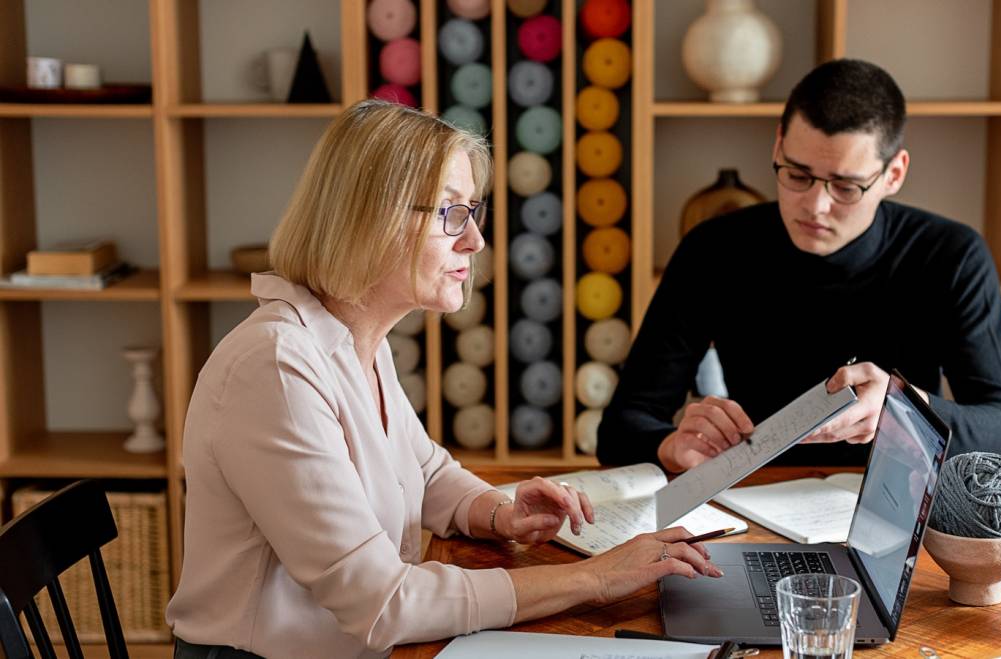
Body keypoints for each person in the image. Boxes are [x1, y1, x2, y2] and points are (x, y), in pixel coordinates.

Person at [166, 100, 720, 659]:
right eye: (449, 213)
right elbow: (381, 603)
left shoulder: (355, 337)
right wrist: (597, 579)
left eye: (471, 211)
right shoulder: (277, 367)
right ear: (367, 219)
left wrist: (500, 512)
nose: (475, 241)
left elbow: (425, 472)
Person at [597, 59, 1001, 473]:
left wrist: (905, 408)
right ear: (778, 143)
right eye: (797, 175)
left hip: (898, 506)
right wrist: (670, 445)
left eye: (845, 186)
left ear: (893, 174)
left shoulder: (951, 255)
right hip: (752, 494)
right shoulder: (713, 249)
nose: (816, 207)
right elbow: (619, 428)